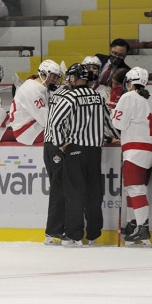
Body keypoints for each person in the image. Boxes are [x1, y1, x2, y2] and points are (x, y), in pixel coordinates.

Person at [50, 63, 120, 247]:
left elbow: (55, 123)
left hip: (75, 150)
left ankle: (74, 235)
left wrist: (60, 144)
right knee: (93, 193)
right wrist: (116, 137)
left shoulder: (70, 97)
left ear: (74, 78)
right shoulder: (98, 97)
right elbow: (109, 123)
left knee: (74, 193)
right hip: (94, 151)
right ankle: (94, 234)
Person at [111, 67, 152, 246]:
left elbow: (117, 122)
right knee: (135, 190)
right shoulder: (150, 98)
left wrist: (114, 111)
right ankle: (135, 223)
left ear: (128, 82)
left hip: (134, 150)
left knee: (136, 190)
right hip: (150, 150)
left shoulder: (128, 97)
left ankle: (142, 226)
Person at [43, 80, 70, 246]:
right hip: (55, 146)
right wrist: (60, 142)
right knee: (59, 189)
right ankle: (54, 231)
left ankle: (55, 230)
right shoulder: (66, 95)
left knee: (58, 188)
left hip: (50, 145)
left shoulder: (57, 93)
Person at [9, 60, 62, 145]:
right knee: (65, 134)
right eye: (53, 77)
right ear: (44, 73)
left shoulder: (40, 86)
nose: (55, 80)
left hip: (31, 126)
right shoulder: (32, 90)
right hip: (26, 131)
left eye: (57, 78)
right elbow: (45, 120)